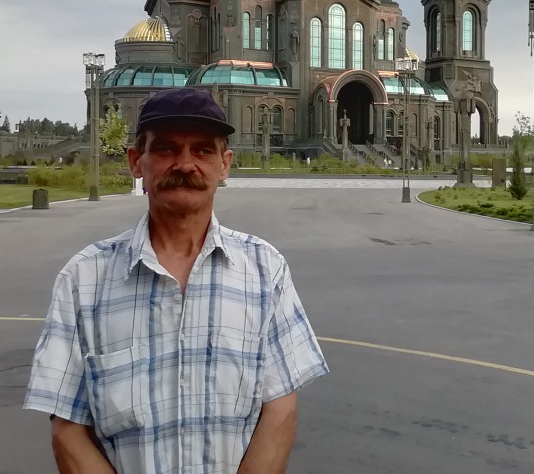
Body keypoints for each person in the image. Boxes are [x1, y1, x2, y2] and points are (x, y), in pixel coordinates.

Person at [24, 88, 328, 474]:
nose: (185, 164)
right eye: (166, 149)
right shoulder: (84, 279)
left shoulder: (265, 270)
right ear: (136, 162)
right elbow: (67, 427)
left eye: (202, 150)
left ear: (224, 165)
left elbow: (280, 408)